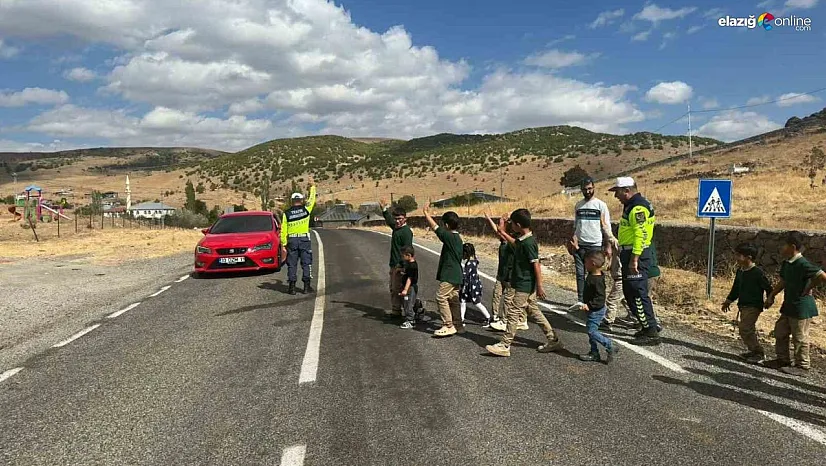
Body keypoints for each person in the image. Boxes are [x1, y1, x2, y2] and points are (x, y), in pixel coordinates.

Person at [486, 209, 563, 357]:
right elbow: (516, 244)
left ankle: (505, 344)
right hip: (522, 283)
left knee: (514, 311)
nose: (511, 226)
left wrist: (540, 286)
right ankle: (553, 339)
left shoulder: (529, 243)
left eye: (512, 224)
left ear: (518, 225)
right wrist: (503, 233)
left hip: (524, 284)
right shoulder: (524, 240)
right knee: (533, 311)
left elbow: (536, 265)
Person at [763, 231, 826, 376]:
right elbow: (783, 281)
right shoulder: (788, 263)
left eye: (783, 245)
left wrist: (809, 287)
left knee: (800, 336)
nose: (781, 248)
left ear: (792, 247)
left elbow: (821, 276)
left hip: (801, 307)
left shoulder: (803, 263)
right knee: (780, 331)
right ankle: (782, 360)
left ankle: (802, 366)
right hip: (789, 304)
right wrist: (772, 295)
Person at [608, 176, 660, 345]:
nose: (616, 196)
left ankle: (651, 330)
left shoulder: (638, 207)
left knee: (637, 293)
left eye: (618, 192)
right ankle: (646, 327)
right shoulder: (632, 205)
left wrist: (634, 259)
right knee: (631, 293)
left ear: (627, 190)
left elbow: (641, 233)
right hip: (629, 253)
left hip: (636, 254)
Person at [721, 242, 773, 364]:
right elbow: (736, 288)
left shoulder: (757, 273)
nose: (736, 258)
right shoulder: (740, 271)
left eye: (739, 255)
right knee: (745, 329)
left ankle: (758, 352)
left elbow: (769, 288)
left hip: (753, 306)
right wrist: (728, 301)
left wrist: (769, 299)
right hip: (743, 305)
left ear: (749, 257)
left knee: (745, 328)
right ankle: (753, 351)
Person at [568, 177, 612, 308]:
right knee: (580, 273)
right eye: (585, 189)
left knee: (594, 276)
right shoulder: (578, 205)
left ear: (594, 188)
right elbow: (576, 226)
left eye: (590, 189)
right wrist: (572, 241)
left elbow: (606, 227)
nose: (587, 191)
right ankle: (581, 300)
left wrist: (608, 246)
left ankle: (594, 302)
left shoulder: (601, 205)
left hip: (595, 245)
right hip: (580, 245)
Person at [423, 205, 465, 337]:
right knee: (453, 299)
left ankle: (448, 325)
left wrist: (426, 213)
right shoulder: (457, 238)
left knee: (441, 297)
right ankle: (458, 324)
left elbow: (435, 228)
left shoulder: (449, 237)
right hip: (457, 274)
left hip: (450, 274)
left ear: (447, 225)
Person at [484, 210, 529, 332]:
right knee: (497, 295)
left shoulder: (513, 241)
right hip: (501, 273)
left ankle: (506, 320)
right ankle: (495, 317)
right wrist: (489, 218)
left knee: (509, 299)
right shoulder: (504, 239)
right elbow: (498, 231)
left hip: (510, 275)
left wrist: (502, 220)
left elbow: (499, 231)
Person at [576, 250, 620, 363]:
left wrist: (589, 306)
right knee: (591, 331)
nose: (584, 265)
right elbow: (587, 256)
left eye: (586, 263)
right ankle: (594, 352)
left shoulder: (597, 281)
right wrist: (577, 249)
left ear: (593, 264)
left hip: (596, 311)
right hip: (593, 310)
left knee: (592, 332)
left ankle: (610, 345)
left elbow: (600, 299)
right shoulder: (593, 274)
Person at [280, 175, 316, 295]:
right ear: (301, 200)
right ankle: (306, 287)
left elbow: (283, 230)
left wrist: (283, 244)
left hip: (292, 241)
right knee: (306, 263)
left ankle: (292, 287)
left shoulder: (287, 214)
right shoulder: (306, 209)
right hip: (304, 239)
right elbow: (312, 199)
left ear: (292, 201)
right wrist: (312, 186)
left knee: (292, 264)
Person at [379, 199, 413, 317]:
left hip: (400, 266)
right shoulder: (396, 228)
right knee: (394, 289)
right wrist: (384, 209)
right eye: (396, 219)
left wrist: (404, 267)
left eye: (400, 219)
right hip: (393, 264)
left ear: (405, 218)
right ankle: (396, 311)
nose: (397, 221)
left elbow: (408, 251)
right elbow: (389, 220)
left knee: (399, 289)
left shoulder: (406, 232)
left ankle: (407, 311)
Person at [460, 243, 493, 327]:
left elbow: (465, 275)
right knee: (462, 301)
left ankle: (488, 318)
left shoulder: (470, 263)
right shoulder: (474, 260)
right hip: (471, 284)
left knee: (476, 302)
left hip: (470, 286)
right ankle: (461, 319)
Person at [399, 245, 420, 329]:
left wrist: (405, 289)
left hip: (410, 288)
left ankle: (410, 320)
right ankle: (418, 310)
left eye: (403, 255)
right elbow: (407, 272)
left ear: (408, 255)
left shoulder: (412, 266)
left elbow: (410, 279)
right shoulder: (410, 264)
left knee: (408, 304)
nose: (402, 257)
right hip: (409, 287)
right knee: (409, 302)